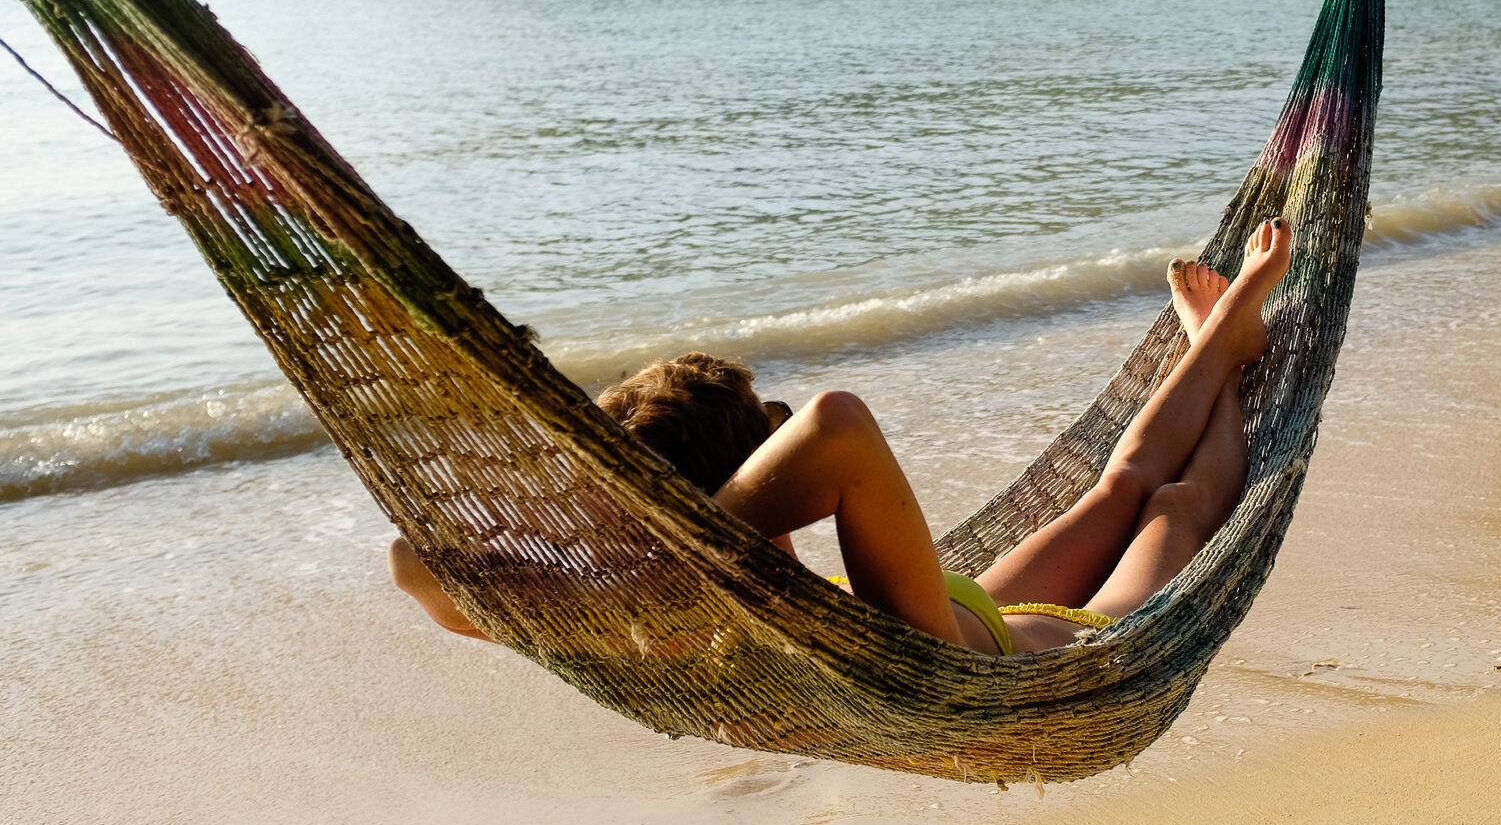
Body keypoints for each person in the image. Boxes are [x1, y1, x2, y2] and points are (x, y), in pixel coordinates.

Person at [390, 217, 1292, 654]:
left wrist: (604, 513)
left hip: (961, 604)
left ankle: (1217, 344)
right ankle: (1228, 347)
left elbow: (412, 564)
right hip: (1043, 655)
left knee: (1117, 486)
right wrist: (657, 530)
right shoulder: (662, 615)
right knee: (1171, 499)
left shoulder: (658, 604)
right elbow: (834, 424)